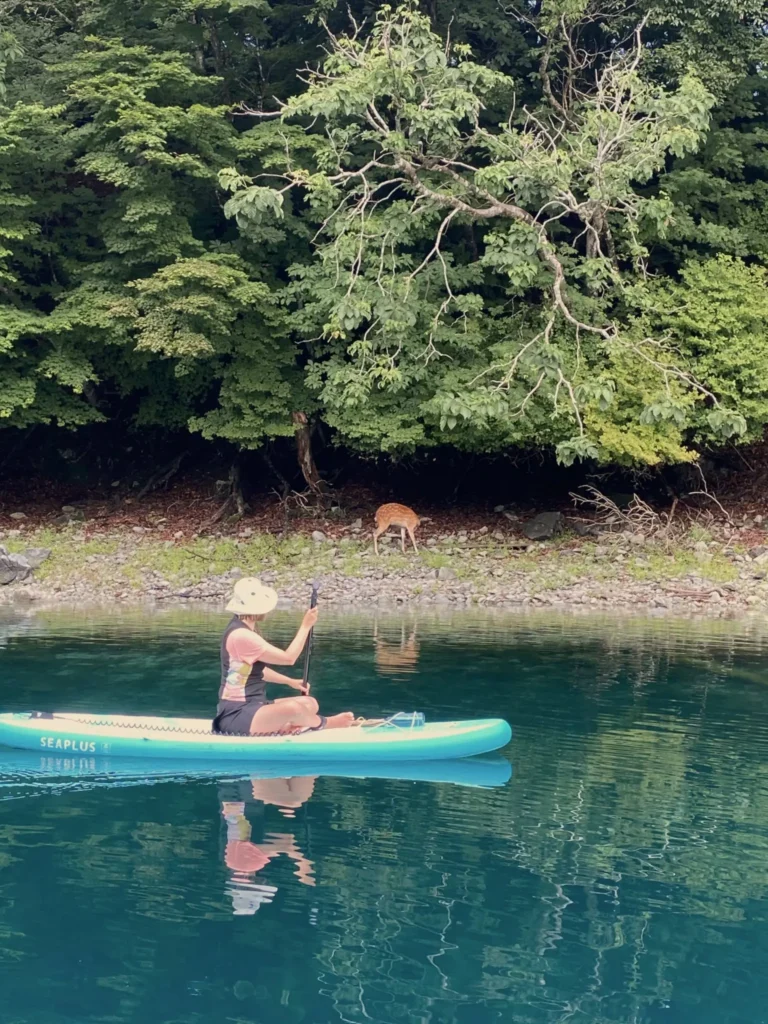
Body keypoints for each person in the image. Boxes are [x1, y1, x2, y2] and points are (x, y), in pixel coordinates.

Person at [213, 577, 356, 736]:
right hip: (237, 714)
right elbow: (289, 658)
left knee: (309, 703)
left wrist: (290, 682)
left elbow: (256, 671)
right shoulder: (241, 635)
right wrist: (306, 626)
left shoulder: (245, 629)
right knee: (294, 709)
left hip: (255, 705)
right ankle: (327, 723)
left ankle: (284, 726)